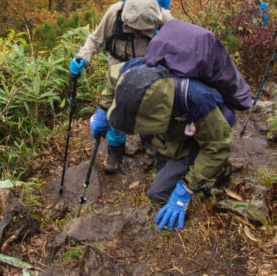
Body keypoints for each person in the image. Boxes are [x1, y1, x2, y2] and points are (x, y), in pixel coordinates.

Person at [103, 20, 252, 231]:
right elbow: (111, 75)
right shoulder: (133, 72)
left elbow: (217, 145)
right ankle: (178, 160)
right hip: (175, 129)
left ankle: (212, 173)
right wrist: (102, 111)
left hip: (206, 127)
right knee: (162, 163)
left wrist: (186, 191)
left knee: (157, 194)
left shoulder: (196, 97)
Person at [70, 0, 174, 173]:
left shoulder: (165, 18)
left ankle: (149, 139)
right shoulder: (115, 12)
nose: (136, 36)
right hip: (118, 66)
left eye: (142, 32)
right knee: (118, 109)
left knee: (150, 103)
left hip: (149, 66)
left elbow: (179, 47)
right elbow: (95, 39)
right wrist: (82, 57)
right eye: (133, 30)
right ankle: (115, 150)